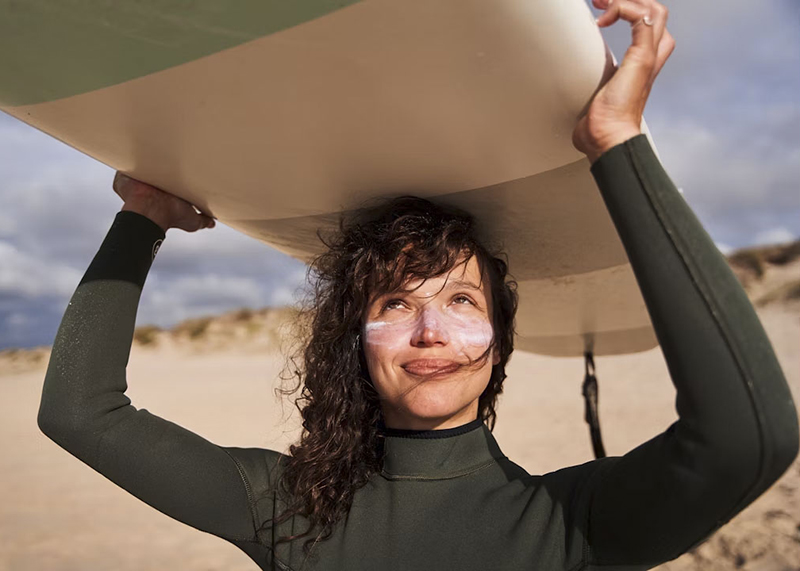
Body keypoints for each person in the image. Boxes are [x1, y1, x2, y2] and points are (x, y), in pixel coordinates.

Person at [37, 1, 799, 570]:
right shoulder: (283, 507)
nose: (429, 331)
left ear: (500, 341)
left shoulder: (570, 523)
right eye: (395, 303)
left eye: (462, 301)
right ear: (355, 341)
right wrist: (140, 216)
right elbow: (79, 410)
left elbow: (750, 433)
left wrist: (617, 144)